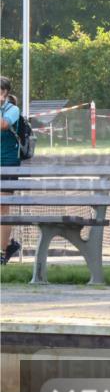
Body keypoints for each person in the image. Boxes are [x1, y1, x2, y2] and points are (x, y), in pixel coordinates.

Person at [0, 76, 22, 265]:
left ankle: (2, 251)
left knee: (3, 207)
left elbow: (4, 125)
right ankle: (10, 244)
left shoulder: (12, 109)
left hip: (7, 163)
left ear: (4, 92)